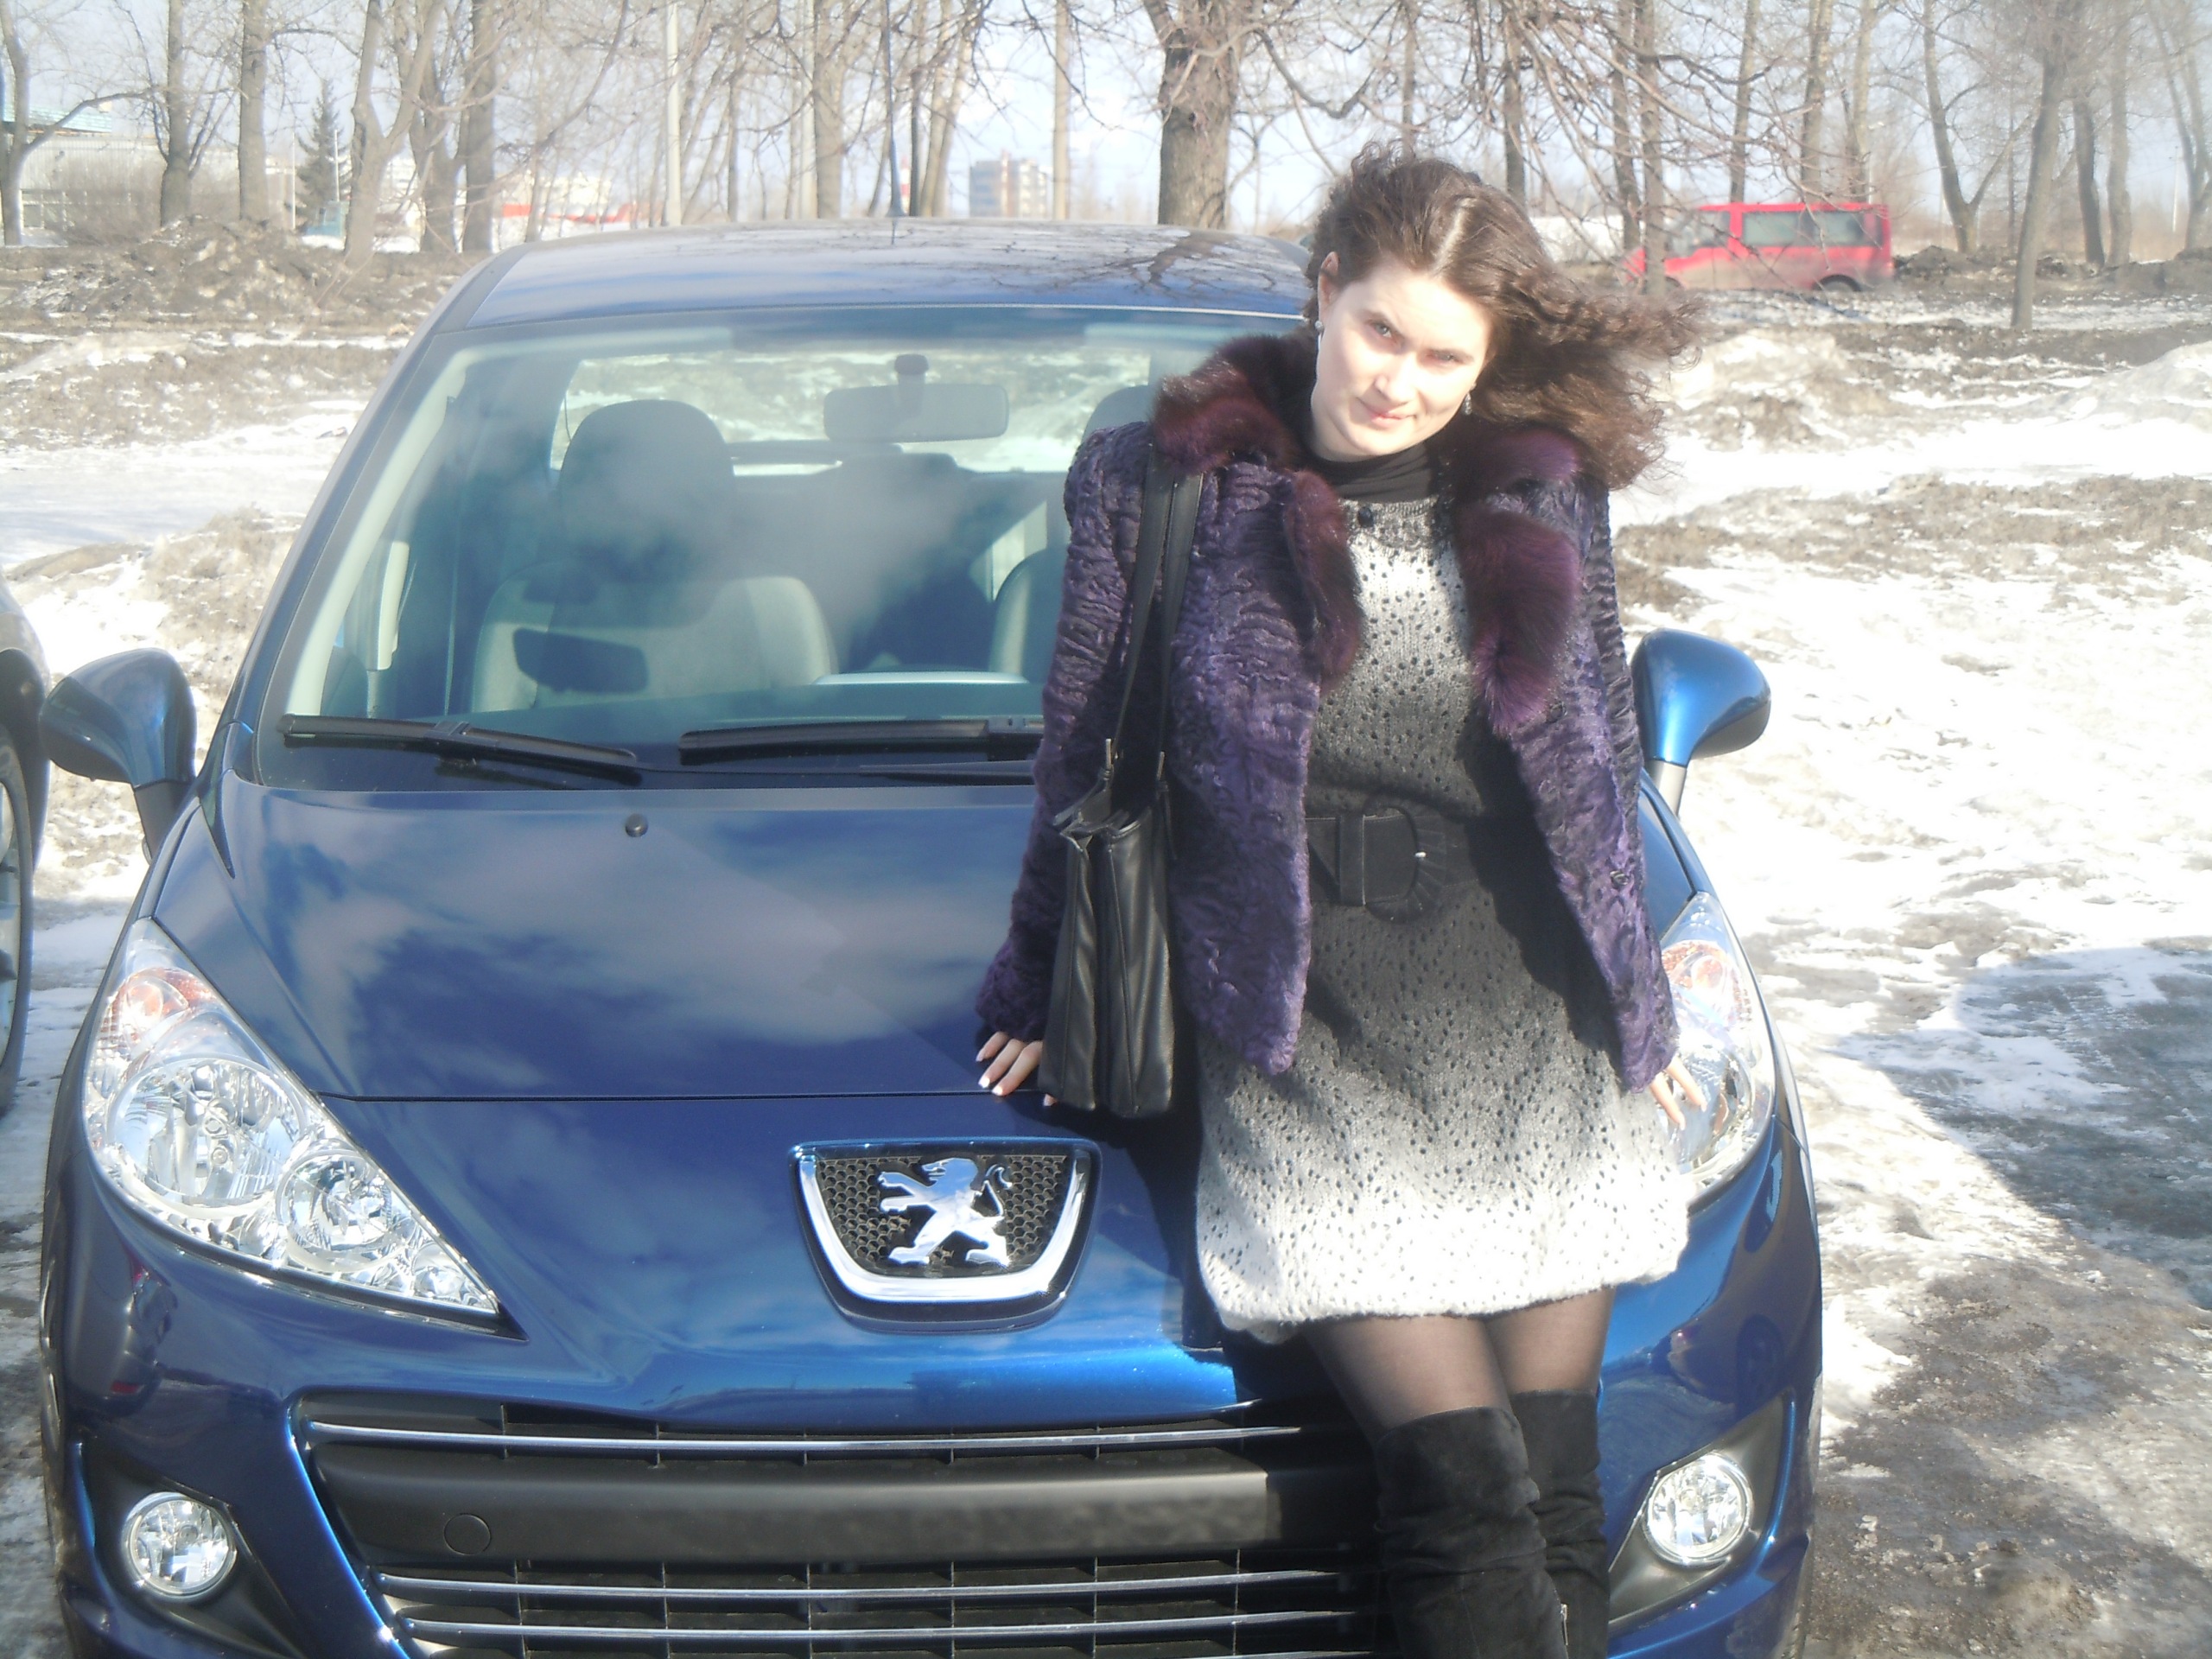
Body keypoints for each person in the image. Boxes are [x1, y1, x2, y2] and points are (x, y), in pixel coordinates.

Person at [975, 147, 1701, 1659]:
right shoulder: (1166, 482)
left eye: (1444, 357)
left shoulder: (1539, 488)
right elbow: (1084, 743)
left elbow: (1599, 765)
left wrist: (1639, 1009)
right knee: (1463, 1495)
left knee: (1557, 1495)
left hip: (1528, 1019)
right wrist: (1039, 981)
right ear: (1324, 294)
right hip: (1308, 1028)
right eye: (1381, 332)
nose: (1400, 382)